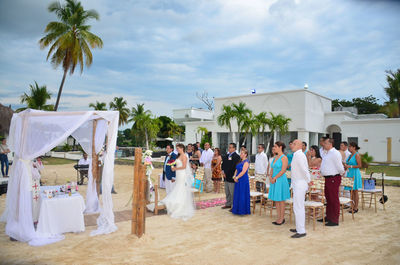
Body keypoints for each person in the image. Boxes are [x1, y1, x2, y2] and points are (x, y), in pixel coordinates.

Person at [163, 143, 195, 221]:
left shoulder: (184, 156)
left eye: (178, 148)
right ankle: (176, 206)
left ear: (182, 148)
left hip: (182, 174)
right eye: (177, 149)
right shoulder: (178, 156)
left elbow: (184, 166)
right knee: (178, 188)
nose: (177, 150)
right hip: (178, 174)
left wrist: (175, 169)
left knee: (181, 188)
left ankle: (181, 207)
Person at [319, 138, 345, 226]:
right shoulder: (327, 153)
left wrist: (341, 173)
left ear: (330, 144)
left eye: (325, 143)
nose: (324, 144)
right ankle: (329, 216)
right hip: (328, 178)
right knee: (328, 198)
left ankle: (334, 219)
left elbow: (340, 166)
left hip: (333, 178)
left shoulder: (335, 153)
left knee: (333, 199)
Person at [289, 140, 311, 238]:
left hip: (300, 184)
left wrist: (309, 180)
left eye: (294, 144)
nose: (292, 145)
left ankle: (301, 231)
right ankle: (299, 227)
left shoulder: (300, 155)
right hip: (296, 184)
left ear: (299, 146)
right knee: (297, 207)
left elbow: (304, 169)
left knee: (299, 207)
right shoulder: (296, 154)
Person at [269, 141, 290, 225]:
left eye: (275, 146)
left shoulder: (284, 157)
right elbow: (272, 168)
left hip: (280, 180)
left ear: (280, 147)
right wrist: (270, 177)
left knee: (281, 200)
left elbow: (283, 170)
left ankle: (282, 218)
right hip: (274, 180)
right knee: (276, 200)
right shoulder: (275, 157)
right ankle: (278, 217)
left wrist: (275, 178)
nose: (274, 148)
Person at [344, 142, 363, 213]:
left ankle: (356, 207)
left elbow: (359, 165)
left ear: (354, 147)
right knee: (350, 190)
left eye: (350, 147)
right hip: (349, 173)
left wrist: (350, 166)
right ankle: (351, 205)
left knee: (355, 191)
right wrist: (345, 166)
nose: (349, 148)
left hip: (355, 173)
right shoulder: (349, 155)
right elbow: (348, 164)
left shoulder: (356, 155)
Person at [221, 143, 241, 210]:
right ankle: (228, 204)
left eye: (230, 147)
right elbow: (223, 164)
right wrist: (223, 172)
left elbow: (234, 167)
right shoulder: (226, 156)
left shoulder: (237, 157)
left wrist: (227, 173)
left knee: (232, 192)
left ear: (234, 148)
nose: (229, 149)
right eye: (228, 147)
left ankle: (233, 205)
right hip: (226, 177)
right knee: (227, 191)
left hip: (231, 177)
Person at [232, 149, 251, 215]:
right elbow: (236, 170)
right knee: (237, 194)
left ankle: (242, 210)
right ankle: (236, 209)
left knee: (242, 194)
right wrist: (234, 176)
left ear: (246, 154)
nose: (241, 154)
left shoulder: (246, 162)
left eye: (242, 153)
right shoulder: (240, 161)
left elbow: (243, 172)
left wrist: (237, 177)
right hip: (237, 179)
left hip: (243, 180)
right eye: (241, 153)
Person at [32, 157, 44, 223]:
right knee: (33, 201)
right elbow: (35, 175)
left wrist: (38, 162)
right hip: (32, 184)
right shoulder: (29, 162)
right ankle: (33, 218)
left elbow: (41, 168)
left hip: (36, 184)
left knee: (37, 200)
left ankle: (36, 217)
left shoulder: (35, 160)